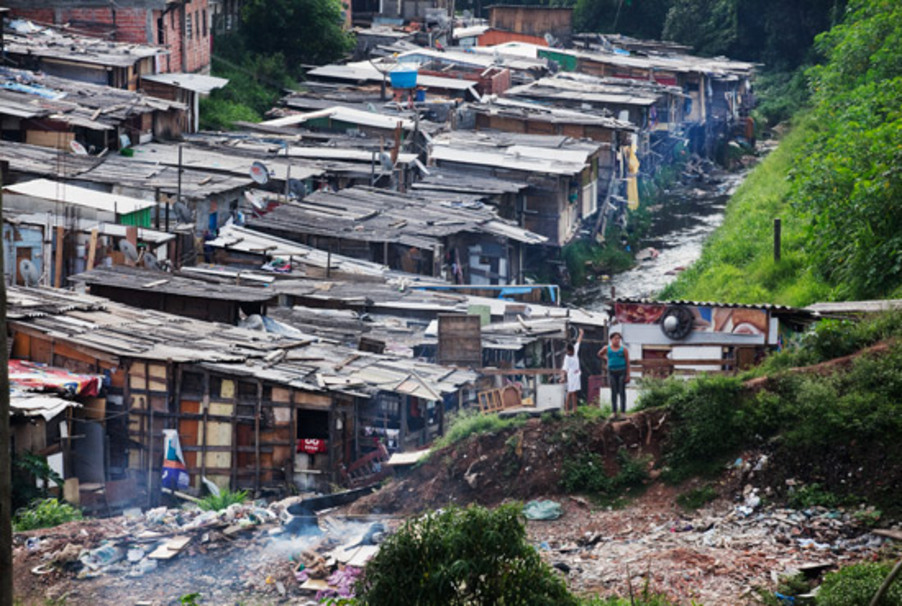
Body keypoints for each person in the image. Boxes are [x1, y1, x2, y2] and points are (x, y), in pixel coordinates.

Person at [598, 331, 630, 418]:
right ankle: (614, 412)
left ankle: (623, 412)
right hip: (612, 372)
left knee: (622, 391)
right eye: (615, 338)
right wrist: (606, 359)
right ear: (611, 339)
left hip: (622, 371)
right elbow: (599, 354)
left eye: (619, 339)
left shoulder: (623, 349)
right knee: (614, 391)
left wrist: (628, 375)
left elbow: (627, 362)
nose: (617, 340)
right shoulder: (607, 348)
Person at [560, 328, 584, 415]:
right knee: (569, 392)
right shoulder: (567, 358)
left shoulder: (575, 350)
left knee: (575, 392)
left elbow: (579, 341)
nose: (570, 353)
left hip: (577, 374)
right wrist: (562, 377)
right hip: (571, 376)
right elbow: (564, 369)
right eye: (569, 352)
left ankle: (575, 409)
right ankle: (566, 410)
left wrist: (581, 334)